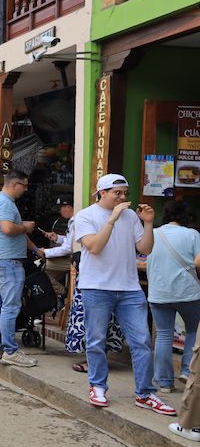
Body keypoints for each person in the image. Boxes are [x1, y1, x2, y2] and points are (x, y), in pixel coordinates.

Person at [76, 173, 175, 415]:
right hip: (96, 287)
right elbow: (95, 247)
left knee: (142, 341)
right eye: (116, 192)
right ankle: (97, 386)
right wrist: (112, 219)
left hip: (129, 288)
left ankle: (145, 393)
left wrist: (149, 222)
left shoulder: (131, 216)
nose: (122, 197)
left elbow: (145, 248)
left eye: (124, 193)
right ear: (102, 192)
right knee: (96, 340)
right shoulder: (85, 216)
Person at [0, 170, 38, 368]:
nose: (25, 190)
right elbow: (8, 229)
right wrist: (25, 226)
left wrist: (35, 249)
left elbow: (13, 232)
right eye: (24, 186)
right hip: (7, 261)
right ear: (15, 184)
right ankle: (10, 351)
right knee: (10, 306)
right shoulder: (6, 203)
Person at [146, 200, 200, 393]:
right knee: (194, 329)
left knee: (163, 335)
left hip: (159, 292)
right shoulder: (193, 235)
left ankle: (163, 383)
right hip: (188, 292)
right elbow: (198, 262)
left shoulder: (152, 233)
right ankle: (187, 370)